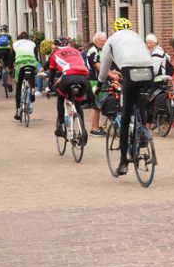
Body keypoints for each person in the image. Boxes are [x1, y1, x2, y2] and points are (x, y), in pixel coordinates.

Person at [98, 18, 156, 176]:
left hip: (130, 73)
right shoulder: (137, 37)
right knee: (141, 101)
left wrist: (99, 84)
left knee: (125, 117)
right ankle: (144, 133)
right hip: (149, 71)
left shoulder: (111, 40)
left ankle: (123, 162)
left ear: (114, 30)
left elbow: (104, 68)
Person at [49, 36, 92, 142]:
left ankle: (62, 127)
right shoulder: (76, 51)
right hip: (84, 77)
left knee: (60, 98)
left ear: (56, 46)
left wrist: (50, 86)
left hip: (68, 76)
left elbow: (52, 73)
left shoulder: (54, 55)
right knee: (77, 104)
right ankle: (83, 130)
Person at [12, 32, 37, 121]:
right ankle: (33, 91)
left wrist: (10, 67)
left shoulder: (15, 44)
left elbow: (12, 56)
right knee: (32, 76)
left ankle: (18, 110)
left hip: (20, 64)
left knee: (18, 87)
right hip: (31, 62)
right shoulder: (32, 43)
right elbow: (36, 56)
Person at [86, 31, 108, 136]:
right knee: (96, 106)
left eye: (105, 40)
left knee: (101, 104)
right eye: (101, 41)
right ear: (96, 41)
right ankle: (94, 129)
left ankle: (99, 127)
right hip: (94, 81)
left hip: (103, 79)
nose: (104, 42)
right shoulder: (93, 51)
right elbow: (99, 67)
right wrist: (111, 74)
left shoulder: (103, 50)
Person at [0, 25, 14, 91]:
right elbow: (12, 46)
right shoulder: (9, 36)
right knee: (8, 68)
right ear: (6, 30)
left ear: (0, 30)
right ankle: (10, 86)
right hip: (7, 51)